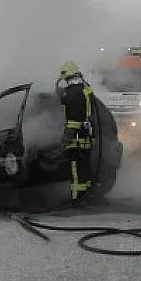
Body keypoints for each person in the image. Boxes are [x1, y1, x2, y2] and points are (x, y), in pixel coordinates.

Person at [55, 61, 94, 203]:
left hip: (76, 139)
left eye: (65, 79)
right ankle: (87, 195)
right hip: (86, 137)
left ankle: (76, 198)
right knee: (85, 167)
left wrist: (67, 135)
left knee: (75, 169)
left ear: (68, 77)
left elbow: (74, 117)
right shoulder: (85, 89)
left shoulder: (73, 93)